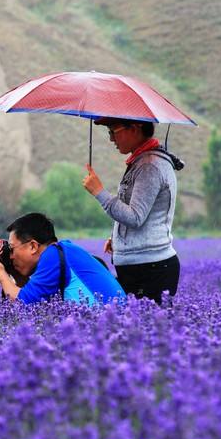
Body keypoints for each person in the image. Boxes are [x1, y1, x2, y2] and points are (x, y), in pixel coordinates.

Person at [81, 117, 184, 305]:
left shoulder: (149, 166)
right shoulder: (142, 162)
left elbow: (135, 217)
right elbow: (141, 212)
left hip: (150, 268)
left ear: (135, 128)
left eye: (113, 131)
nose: (111, 139)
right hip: (142, 266)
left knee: (144, 330)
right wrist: (118, 237)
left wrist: (99, 192)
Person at [0, 212, 125, 306]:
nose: (10, 256)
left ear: (33, 246)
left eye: (11, 249)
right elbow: (37, 300)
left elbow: (23, 303)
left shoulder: (53, 256)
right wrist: (13, 273)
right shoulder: (63, 250)